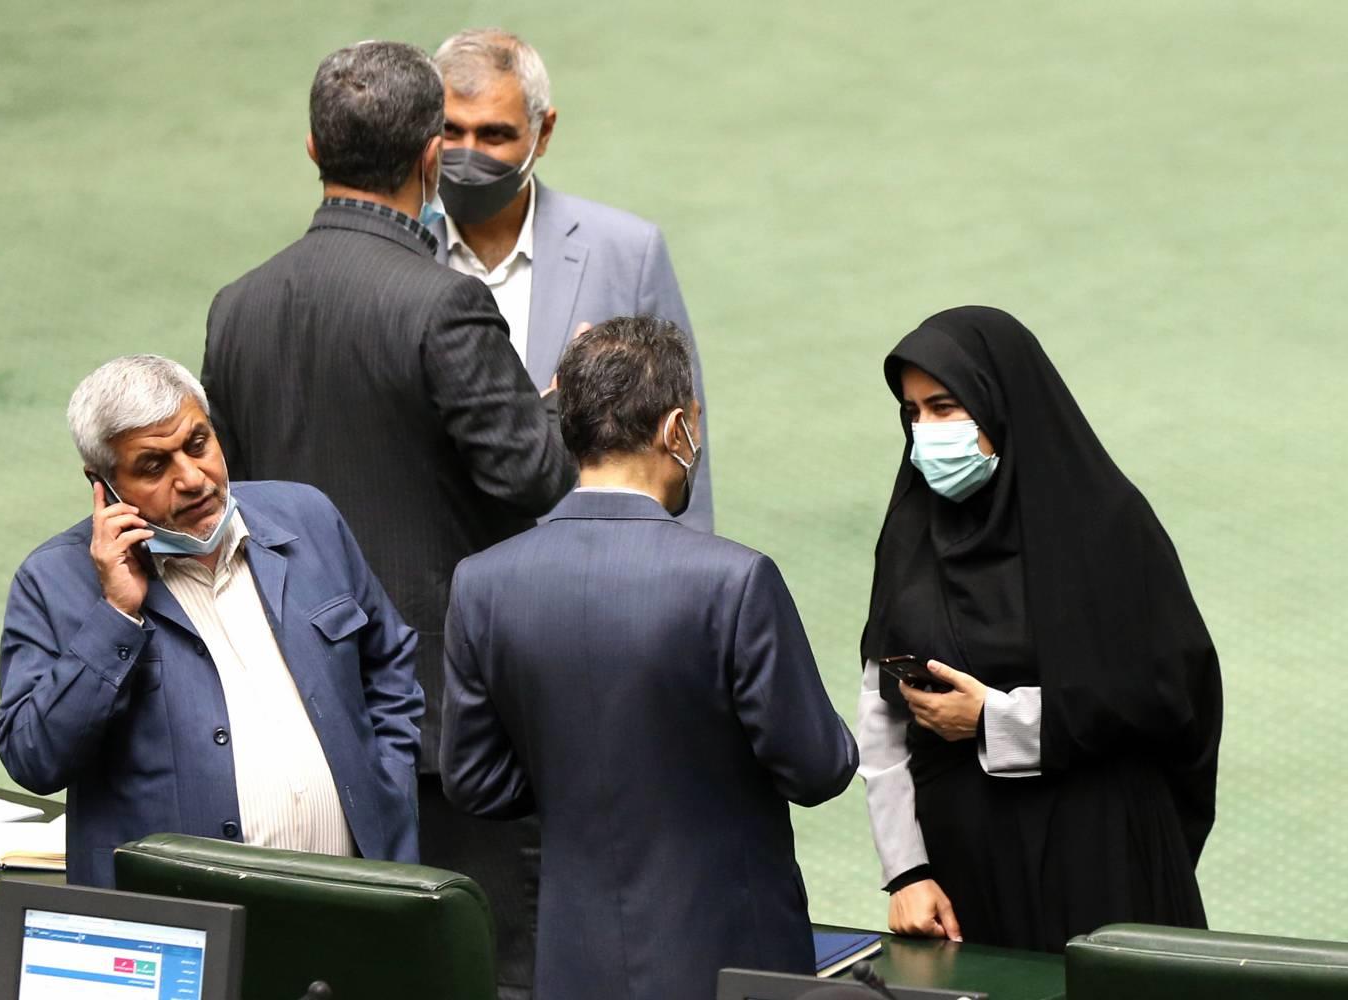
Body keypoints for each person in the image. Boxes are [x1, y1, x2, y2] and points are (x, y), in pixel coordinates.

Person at [201, 40, 573, 999]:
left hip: (297, 715)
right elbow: (533, 476)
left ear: (313, 149)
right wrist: (560, 405)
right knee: (484, 970)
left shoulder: (237, 308)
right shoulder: (445, 305)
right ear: (430, 155)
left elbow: (229, 496)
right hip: (449, 731)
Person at [442, 316, 858, 1000]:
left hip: (574, 962)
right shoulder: (734, 582)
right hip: (731, 962)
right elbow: (818, 768)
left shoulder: (482, 584)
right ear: (675, 429)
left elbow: (476, 780)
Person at [856, 306, 1223, 953]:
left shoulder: (1107, 530)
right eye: (912, 413)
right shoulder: (911, 534)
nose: (925, 433)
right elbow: (880, 715)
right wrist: (907, 872)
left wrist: (995, 720)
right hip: (963, 884)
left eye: (944, 407)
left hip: (1101, 865)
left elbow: (1165, 695)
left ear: (999, 404)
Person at [0, 355, 424, 888]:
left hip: (356, 895)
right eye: (154, 466)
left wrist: (388, 787)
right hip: (183, 918)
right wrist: (116, 616)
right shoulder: (52, 582)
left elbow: (388, 663)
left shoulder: (308, 518)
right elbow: (33, 758)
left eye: (197, 444)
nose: (192, 478)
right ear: (103, 484)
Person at [431, 28, 714, 533]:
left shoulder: (627, 253)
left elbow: (682, 438)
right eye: (451, 132)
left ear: (543, 133)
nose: (469, 154)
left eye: (494, 135)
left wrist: (692, 563)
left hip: (586, 564)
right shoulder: (395, 257)